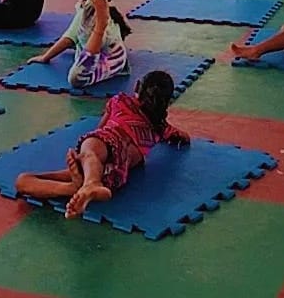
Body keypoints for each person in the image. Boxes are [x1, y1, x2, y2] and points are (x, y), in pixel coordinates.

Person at [14, 71, 190, 218]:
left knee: (90, 149)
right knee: (24, 181)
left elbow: (100, 130)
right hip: (115, 173)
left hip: (105, 147)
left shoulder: (120, 101)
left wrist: (89, 150)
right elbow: (184, 137)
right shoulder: (159, 128)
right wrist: (175, 134)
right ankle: (74, 188)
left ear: (137, 86)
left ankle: (91, 182)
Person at [27, 0, 132, 87]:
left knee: (76, 79)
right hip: (117, 56)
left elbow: (67, 40)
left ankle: (100, 25)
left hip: (106, 58)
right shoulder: (113, 14)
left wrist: (45, 57)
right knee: (93, 7)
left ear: (82, 0)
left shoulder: (83, 12)